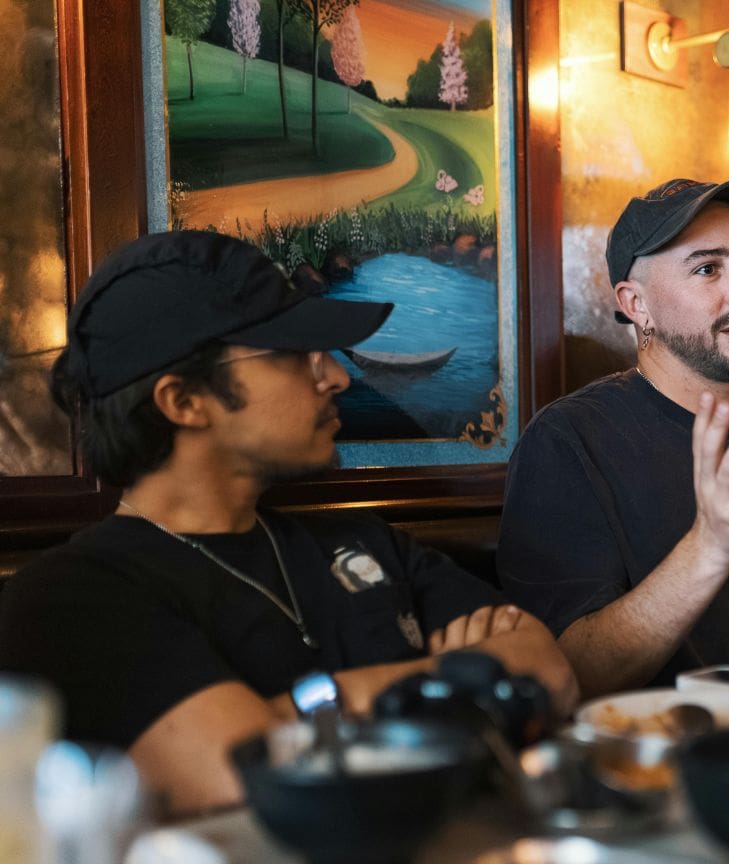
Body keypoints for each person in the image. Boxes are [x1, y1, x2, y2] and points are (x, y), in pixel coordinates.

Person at [0, 231, 578, 816]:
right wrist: (459, 677)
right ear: (183, 402)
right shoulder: (72, 594)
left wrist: (291, 712)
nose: (337, 377)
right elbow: (238, 765)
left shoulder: (363, 541)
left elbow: (551, 672)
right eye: (293, 353)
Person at [496, 178, 729, 698]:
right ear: (636, 304)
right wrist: (708, 548)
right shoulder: (569, 443)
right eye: (708, 268)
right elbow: (568, 672)